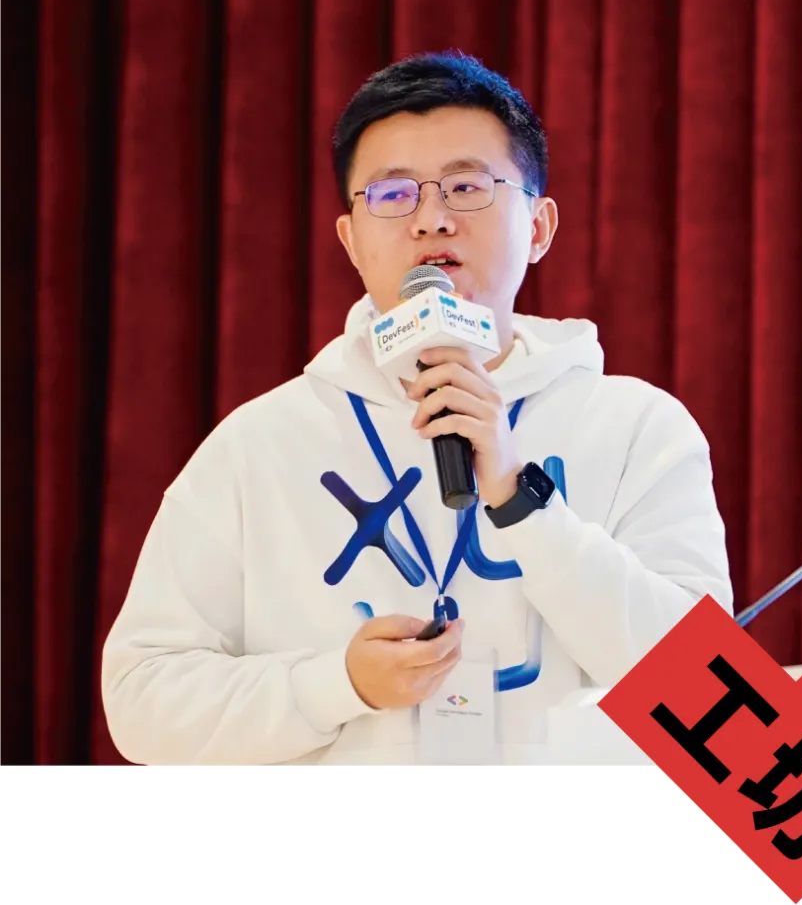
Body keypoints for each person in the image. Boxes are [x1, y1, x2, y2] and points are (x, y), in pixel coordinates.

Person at [100, 50, 734, 766]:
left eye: (467, 187)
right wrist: (336, 685)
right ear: (351, 240)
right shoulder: (259, 443)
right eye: (393, 194)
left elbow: (709, 697)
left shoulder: (637, 430)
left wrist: (523, 504)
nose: (432, 219)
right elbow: (142, 701)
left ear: (538, 226)